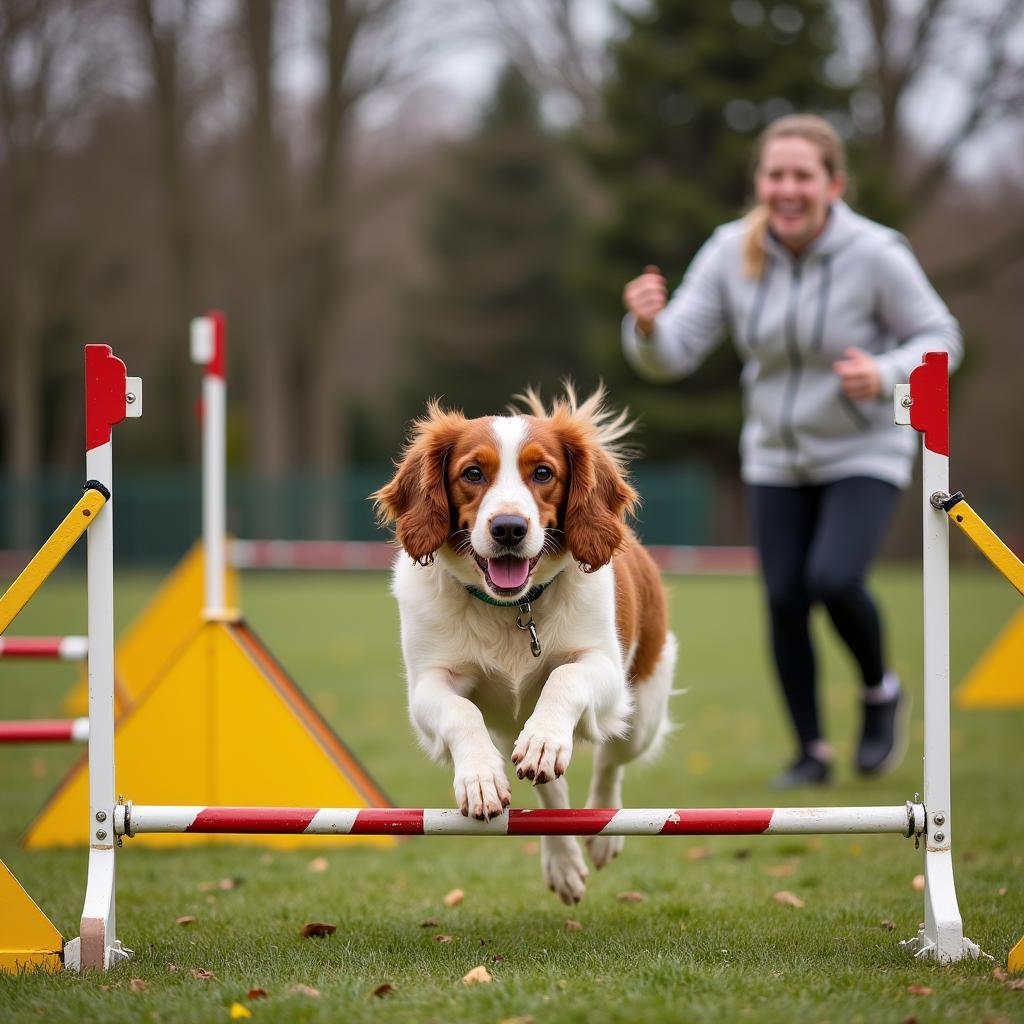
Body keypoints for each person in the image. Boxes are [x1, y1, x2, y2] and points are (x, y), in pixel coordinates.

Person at [621, 113, 963, 788]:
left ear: (833, 184)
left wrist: (888, 372)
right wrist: (646, 326)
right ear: (759, 184)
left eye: (802, 175)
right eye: (774, 175)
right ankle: (811, 751)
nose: (787, 189)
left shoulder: (876, 253)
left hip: (862, 448)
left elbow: (942, 337)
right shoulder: (730, 250)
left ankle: (879, 688)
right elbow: (674, 354)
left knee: (833, 579)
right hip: (774, 454)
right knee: (783, 598)